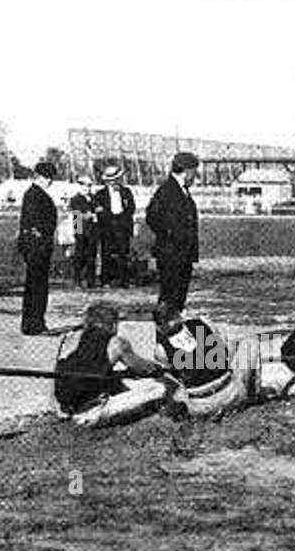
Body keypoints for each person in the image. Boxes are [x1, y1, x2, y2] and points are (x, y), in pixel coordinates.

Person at [54, 301, 172, 429]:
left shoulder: (70, 341)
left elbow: (58, 376)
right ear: (114, 324)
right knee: (159, 389)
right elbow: (142, 369)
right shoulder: (117, 343)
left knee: (115, 381)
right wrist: (160, 367)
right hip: (93, 414)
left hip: (67, 411)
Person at [152, 304, 263, 419]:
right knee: (250, 343)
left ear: (159, 327)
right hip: (230, 396)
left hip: (200, 409)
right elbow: (225, 350)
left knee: (174, 384)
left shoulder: (161, 350)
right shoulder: (203, 322)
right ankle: (252, 398)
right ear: (180, 315)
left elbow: (174, 382)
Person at [146, 152, 200, 312]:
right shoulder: (167, 190)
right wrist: (170, 234)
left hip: (182, 253)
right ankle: (164, 334)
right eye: (193, 173)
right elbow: (152, 217)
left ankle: (172, 332)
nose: (194, 178)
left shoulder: (181, 190)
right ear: (187, 171)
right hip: (171, 253)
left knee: (177, 299)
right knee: (169, 298)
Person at [18, 162, 58, 335]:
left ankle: (35, 322)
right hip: (37, 247)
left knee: (37, 284)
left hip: (41, 245)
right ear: (39, 177)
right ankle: (34, 323)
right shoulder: (35, 195)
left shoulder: (38, 194)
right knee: (36, 285)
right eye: (47, 177)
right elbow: (36, 224)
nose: (50, 181)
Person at [95, 165, 137, 288]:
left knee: (123, 254)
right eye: (111, 180)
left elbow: (131, 208)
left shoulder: (126, 192)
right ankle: (106, 280)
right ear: (107, 181)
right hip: (107, 228)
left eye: (116, 179)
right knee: (106, 253)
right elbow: (99, 211)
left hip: (122, 227)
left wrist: (123, 220)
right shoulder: (100, 194)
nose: (114, 182)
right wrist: (110, 219)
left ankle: (124, 280)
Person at [68, 176, 98, 288]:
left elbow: (99, 209)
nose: (87, 188)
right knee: (80, 254)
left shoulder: (93, 198)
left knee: (92, 254)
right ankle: (77, 279)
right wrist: (86, 215)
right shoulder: (75, 199)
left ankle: (91, 280)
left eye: (89, 186)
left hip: (93, 230)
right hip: (80, 229)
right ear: (80, 186)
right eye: (84, 185)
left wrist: (92, 214)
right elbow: (76, 215)